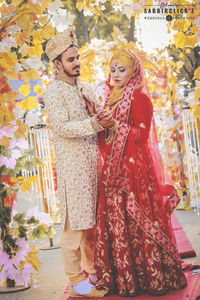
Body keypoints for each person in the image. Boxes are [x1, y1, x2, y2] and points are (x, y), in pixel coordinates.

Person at [86, 49, 187, 297]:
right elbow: (106, 137)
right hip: (112, 169)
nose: (116, 74)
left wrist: (115, 125)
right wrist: (100, 122)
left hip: (134, 170)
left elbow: (141, 136)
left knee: (138, 221)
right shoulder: (111, 97)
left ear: (132, 71)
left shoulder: (140, 98)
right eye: (113, 69)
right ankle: (124, 278)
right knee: (117, 222)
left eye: (122, 69)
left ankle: (149, 276)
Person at [44, 26, 113, 297]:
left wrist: (104, 121)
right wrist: (95, 122)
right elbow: (62, 127)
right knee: (74, 229)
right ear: (58, 64)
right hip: (73, 168)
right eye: (71, 60)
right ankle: (75, 280)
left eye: (78, 58)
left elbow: (99, 119)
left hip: (92, 166)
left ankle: (93, 271)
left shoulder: (84, 88)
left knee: (91, 226)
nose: (77, 63)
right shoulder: (55, 92)